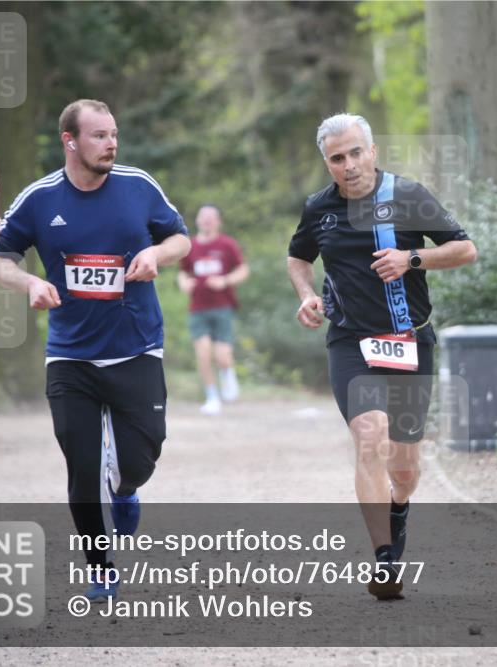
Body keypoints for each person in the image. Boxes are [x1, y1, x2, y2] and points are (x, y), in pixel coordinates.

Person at [0, 99, 190, 601]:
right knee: (81, 464)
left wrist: (155, 253)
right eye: (99, 135)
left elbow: (180, 239)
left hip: (136, 346)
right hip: (70, 355)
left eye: (113, 134)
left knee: (141, 457)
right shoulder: (39, 198)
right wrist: (30, 282)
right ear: (69, 141)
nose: (111, 144)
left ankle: (126, 489)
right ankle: (100, 566)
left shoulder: (138, 186)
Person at [287, 113, 476, 600]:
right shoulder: (319, 209)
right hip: (351, 343)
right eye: (337, 158)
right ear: (327, 163)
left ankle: (398, 506)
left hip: (410, 340)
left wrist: (411, 259)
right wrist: (306, 295)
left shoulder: (407, 196)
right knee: (370, 438)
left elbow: (465, 249)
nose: (348, 165)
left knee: (406, 470)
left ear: (372, 151)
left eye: (355, 153)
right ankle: (385, 560)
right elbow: (298, 257)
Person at [178, 204, 249, 415]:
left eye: (211, 217)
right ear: (197, 220)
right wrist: (184, 283)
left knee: (222, 356)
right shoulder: (190, 246)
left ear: (218, 222)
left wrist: (225, 280)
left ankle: (227, 374)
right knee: (203, 353)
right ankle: (212, 397)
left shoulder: (227, 244)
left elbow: (243, 270)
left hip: (222, 306)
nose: (207, 220)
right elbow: (183, 272)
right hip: (197, 308)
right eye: (203, 217)